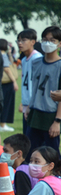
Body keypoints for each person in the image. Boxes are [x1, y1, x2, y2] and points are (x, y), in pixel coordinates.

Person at [26, 26, 61, 156]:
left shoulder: (59, 66)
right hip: (35, 113)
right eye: (45, 39)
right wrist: (29, 106)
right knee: (30, 151)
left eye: (52, 40)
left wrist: (57, 121)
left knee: (52, 153)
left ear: (59, 43)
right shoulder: (35, 63)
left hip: (50, 114)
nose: (48, 43)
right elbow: (35, 87)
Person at [16, 29, 42, 135]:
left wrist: (32, 104)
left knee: (34, 138)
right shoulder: (24, 60)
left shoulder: (37, 59)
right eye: (18, 40)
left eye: (24, 40)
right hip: (27, 104)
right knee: (27, 138)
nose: (20, 43)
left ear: (33, 42)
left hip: (35, 105)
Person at [0, 39, 18, 132]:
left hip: (0, 83)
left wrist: (9, 53)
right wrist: (14, 81)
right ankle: (3, 124)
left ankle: (1, 123)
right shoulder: (2, 55)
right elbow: (7, 69)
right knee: (6, 104)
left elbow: (11, 62)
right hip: (6, 83)